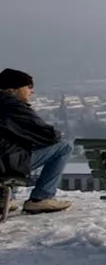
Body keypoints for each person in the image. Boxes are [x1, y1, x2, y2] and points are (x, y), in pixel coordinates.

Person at [0, 68, 73, 214]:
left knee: (16, 146)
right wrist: (57, 134)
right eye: (28, 87)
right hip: (4, 164)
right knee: (64, 147)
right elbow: (46, 134)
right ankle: (40, 198)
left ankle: (4, 198)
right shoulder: (12, 105)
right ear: (13, 90)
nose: (31, 92)